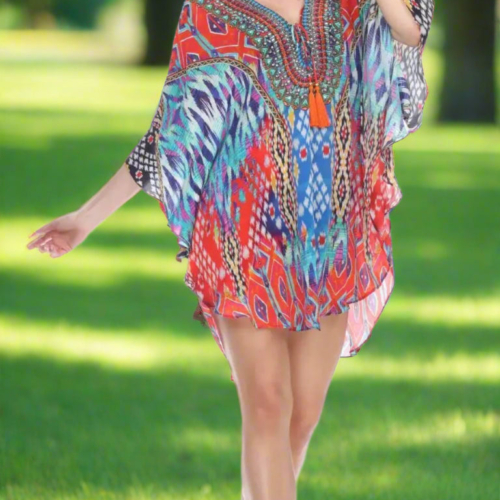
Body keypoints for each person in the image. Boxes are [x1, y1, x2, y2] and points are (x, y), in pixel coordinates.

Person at [26, 0, 434, 498]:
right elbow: (170, 132)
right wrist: (84, 218)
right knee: (267, 405)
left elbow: (410, 32)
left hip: (331, 241)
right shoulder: (210, 12)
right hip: (242, 236)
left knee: (301, 416)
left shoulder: (349, 6)